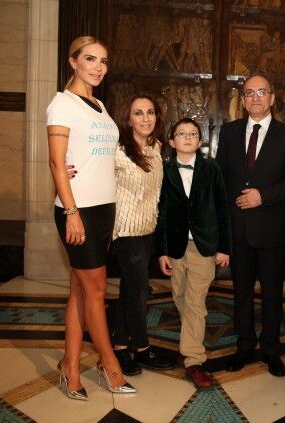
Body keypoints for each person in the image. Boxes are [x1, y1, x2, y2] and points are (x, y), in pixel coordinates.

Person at [47, 35, 135, 399]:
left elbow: (96, 155)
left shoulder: (98, 104)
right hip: (78, 209)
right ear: (73, 62)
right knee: (97, 292)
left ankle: (70, 365)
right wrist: (71, 212)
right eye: (90, 59)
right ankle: (110, 366)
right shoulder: (62, 104)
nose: (98, 67)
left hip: (104, 209)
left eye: (103, 61)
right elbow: (56, 161)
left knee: (80, 292)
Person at [216, 74, 285, 377]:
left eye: (261, 92)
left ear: (272, 98)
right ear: (243, 100)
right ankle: (244, 346)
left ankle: (271, 349)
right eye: (249, 93)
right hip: (238, 229)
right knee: (241, 292)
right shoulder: (229, 133)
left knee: (272, 293)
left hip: (272, 228)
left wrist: (262, 196)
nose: (255, 97)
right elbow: (220, 178)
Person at [155, 118, 231, 389]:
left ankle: (194, 359)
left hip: (204, 246)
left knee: (195, 301)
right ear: (172, 141)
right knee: (180, 296)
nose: (187, 137)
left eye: (193, 134)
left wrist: (224, 247)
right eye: (181, 133)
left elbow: (223, 208)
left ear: (200, 141)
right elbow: (161, 214)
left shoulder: (211, 169)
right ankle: (189, 344)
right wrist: (162, 251)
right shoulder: (164, 171)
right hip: (176, 247)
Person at [109, 94, 175, 375]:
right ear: (128, 118)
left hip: (147, 229)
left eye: (150, 112)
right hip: (125, 231)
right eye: (138, 113)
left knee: (129, 289)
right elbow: (92, 173)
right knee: (138, 291)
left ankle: (120, 346)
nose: (146, 118)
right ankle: (141, 348)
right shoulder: (117, 150)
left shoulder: (155, 148)